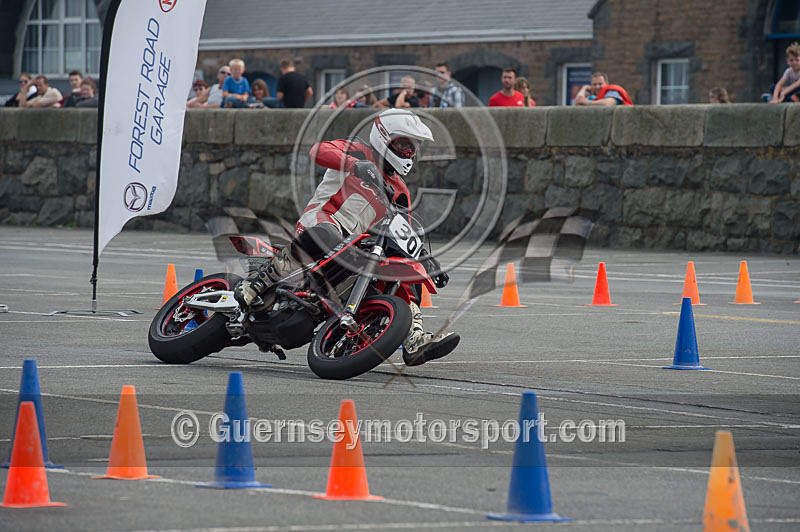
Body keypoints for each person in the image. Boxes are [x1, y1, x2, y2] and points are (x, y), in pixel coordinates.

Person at [233, 109, 460, 366]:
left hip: (354, 246)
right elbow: (318, 151)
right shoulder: (358, 151)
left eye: (413, 149)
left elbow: (402, 230)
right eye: (405, 146)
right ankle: (257, 284)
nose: (410, 154)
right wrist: (356, 166)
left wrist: (425, 260)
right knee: (327, 234)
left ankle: (414, 337)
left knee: (406, 272)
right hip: (321, 222)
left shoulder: (400, 190)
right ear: (384, 137)